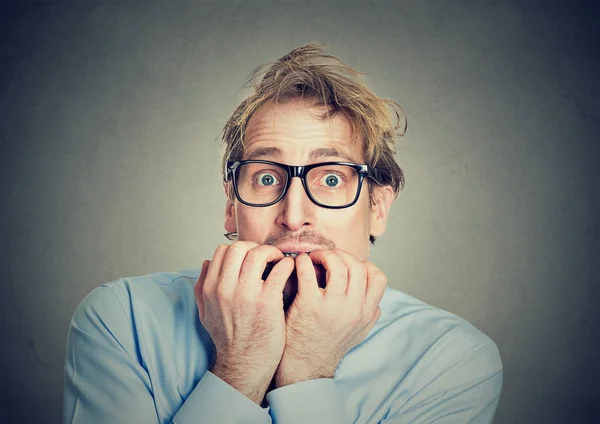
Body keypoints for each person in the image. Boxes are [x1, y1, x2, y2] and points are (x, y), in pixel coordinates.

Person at [63, 44, 503, 424]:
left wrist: (309, 371)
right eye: (267, 179)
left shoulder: (452, 360)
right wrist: (241, 368)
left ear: (378, 209)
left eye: (331, 179)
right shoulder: (122, 321)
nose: (294, 217)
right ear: (232, 206)